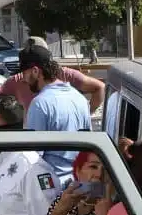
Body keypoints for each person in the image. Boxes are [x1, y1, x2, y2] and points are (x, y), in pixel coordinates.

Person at [0, 36, 106, 113]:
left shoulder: (67, 75)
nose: (25, 76)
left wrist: (87, 114)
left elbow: (99, 87)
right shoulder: (18, 81)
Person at [21, 45, 92, 181]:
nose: (24, 79)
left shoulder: (40, 103)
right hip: (78, 184)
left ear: (35, 71)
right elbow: (87, 146)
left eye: (24, 73)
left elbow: (33, 157)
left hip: (53, 188)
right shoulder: (79, 98)